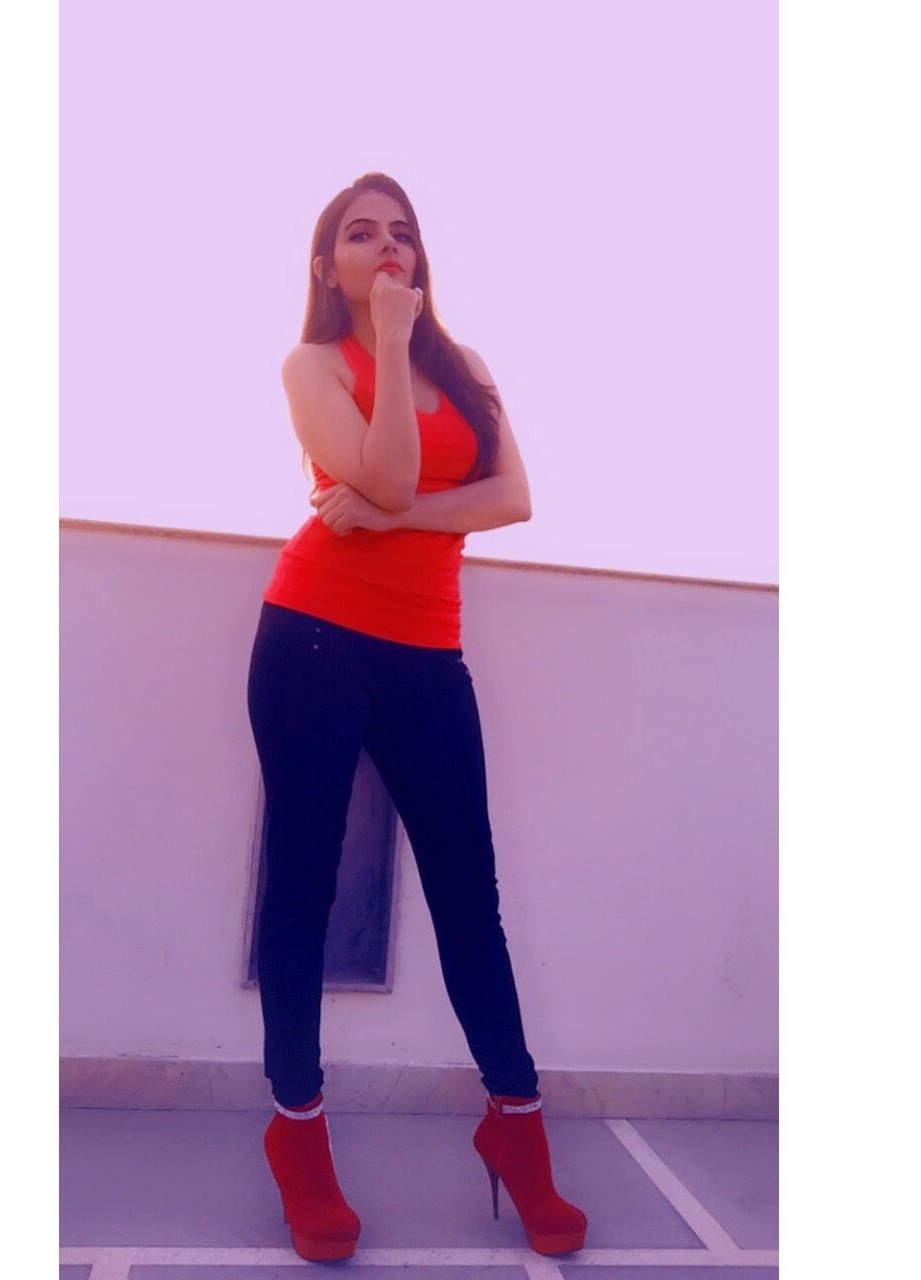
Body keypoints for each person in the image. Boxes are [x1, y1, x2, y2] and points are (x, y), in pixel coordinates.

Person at [247, 172, 587, 1262]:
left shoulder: (469, 368)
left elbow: (509, 498)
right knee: (301, 891)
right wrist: (389, 343)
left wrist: (391, 510)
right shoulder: (312, 365)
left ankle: (517, 1126)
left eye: (402, 232)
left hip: (427, 655)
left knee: (468, 903)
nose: (387, 245)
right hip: (312, 639)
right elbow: (389, 474)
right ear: (326, 266)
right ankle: (297, 1135)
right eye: (361, 234)